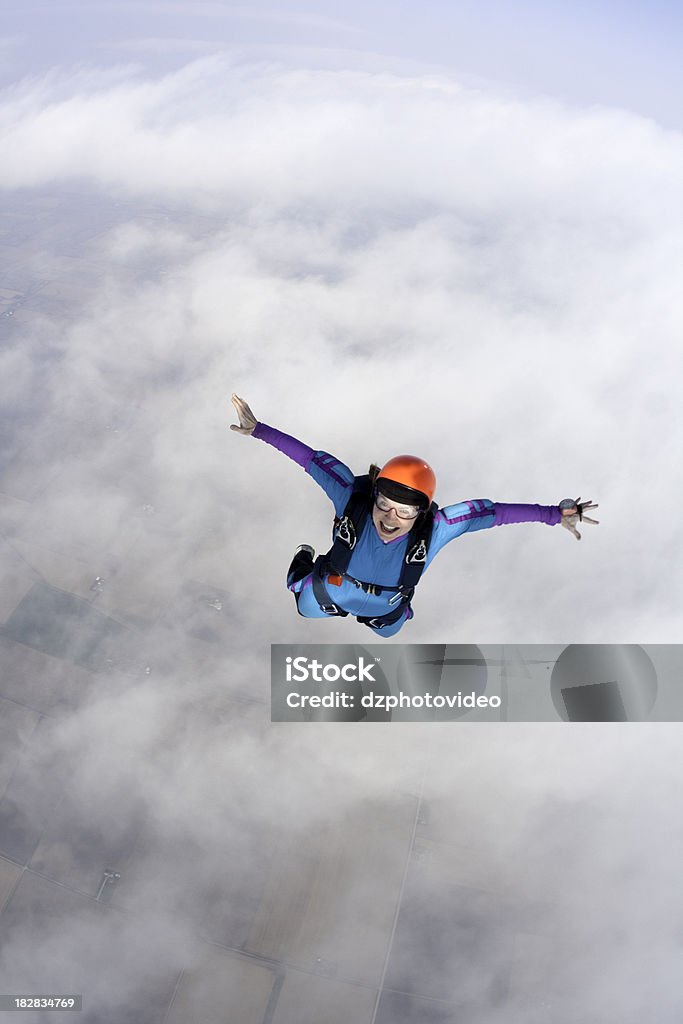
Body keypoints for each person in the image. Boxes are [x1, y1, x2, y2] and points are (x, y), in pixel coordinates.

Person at [230, 394, 599, 637]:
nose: (391, 517)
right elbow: (309, 459)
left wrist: (553, 514)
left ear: (420, 512)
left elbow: (493, 513)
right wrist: (259, 430)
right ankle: (301, 567)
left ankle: (328, 589)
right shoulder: (351, 498)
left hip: (386, 610)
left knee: (386, 631)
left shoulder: (436, 528)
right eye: (385, 505)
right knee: (304, 605)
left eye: (404, 511)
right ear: (373, 496)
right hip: (333, 590)